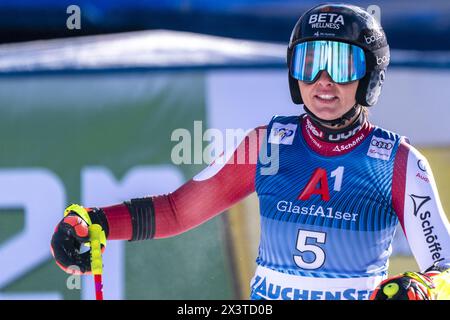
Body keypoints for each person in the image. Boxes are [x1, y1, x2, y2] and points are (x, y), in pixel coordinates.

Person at [50, 3, 450, 300]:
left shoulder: (397, 162)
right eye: (309, 63)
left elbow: (445, 269)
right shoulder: (268, 144)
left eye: (341, 65)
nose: (323, 81)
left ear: (370, 75)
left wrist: (424, 288)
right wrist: (100, 222)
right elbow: (177, 210)